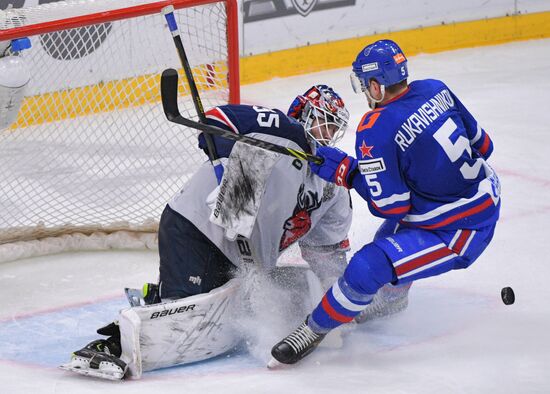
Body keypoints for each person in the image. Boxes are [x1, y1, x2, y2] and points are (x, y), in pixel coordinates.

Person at [61, 84, 353, 380]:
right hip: (197, 228)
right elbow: (217, 120)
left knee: (287, 290)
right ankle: (110, 346)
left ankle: (157, 294)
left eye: (333, 128)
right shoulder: (282, 130)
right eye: (322, 122)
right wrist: (228, 166)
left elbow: (328, 257)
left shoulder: (335, 189)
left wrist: (347, 305)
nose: (326, 134)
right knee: (180, 314)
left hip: (243, 258)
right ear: (301, 115)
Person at [270, 39, 501, 366]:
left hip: (462, 231)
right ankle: (391, 301)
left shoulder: (376, 127)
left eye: (365, 86)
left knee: (368, 266)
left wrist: (348, 172)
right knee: (388, 239)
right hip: (485, 192)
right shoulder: (437, 88)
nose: (365, 92)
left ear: (376, 86)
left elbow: (389, 206)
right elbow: (485, 146)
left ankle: (312, 330)